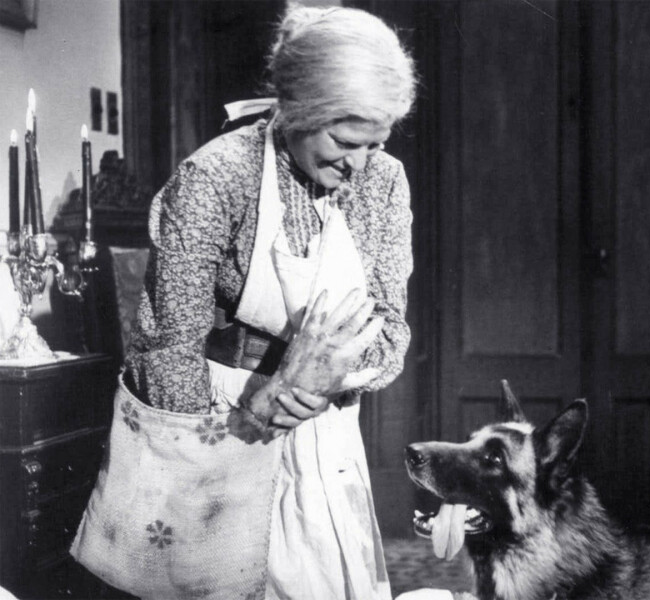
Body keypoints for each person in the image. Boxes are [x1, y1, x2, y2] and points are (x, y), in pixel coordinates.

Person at [70, 6, 415, 600]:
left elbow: (388, 332)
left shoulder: (383, 181)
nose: (358, 164)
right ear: (298, 109)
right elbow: (167, 345)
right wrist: (244, 423)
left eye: (375, 144)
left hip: (324, 425)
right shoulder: (216, 177)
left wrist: (316, 381)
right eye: (343, 141)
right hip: (217, 426)